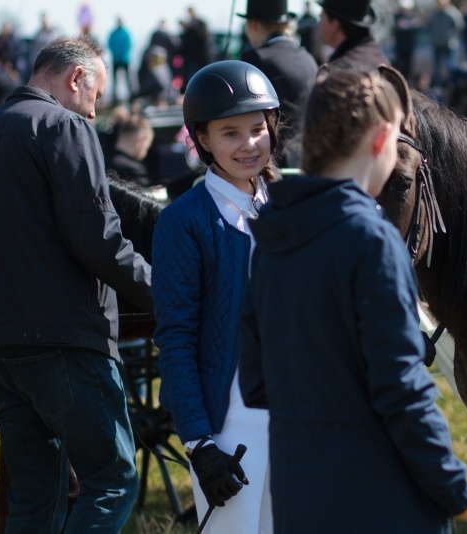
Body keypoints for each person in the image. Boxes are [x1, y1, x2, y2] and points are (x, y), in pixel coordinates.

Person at [238, 65, 467, 534]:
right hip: (383, 502)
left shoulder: (273, 238)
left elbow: (257, 382)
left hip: (300, 498)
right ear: (383, 138)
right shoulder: (370, 238)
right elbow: (401, 389)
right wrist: (460, 494)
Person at [0, 35, 152, 532]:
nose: (94, 112)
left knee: (35, 493)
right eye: (95, 97)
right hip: (60, 339)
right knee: (113, 477)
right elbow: (99, 237)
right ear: (76, 78)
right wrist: (165, 292)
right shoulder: (65, 126)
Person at [152, 60, 280, 534]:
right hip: (229, 425)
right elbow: (176, 337)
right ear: (203, 139)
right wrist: (200, 443)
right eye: (230, 133)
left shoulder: (290, 206)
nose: (249, 144)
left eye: (257, 129)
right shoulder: (183, 221)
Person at [238, 0, 318, 164]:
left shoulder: (256, 59)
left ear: (254, 25)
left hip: (272, 163)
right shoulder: (308, 58)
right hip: (308, 159)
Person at [318, 0, 390, 71]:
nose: (319, 23)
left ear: (334, 24)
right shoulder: (380, 60)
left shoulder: (340, 71)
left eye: (321, 16)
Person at [104, 114, 155, 187]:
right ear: (138, 141)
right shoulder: (135, 170)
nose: (145, 153)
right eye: (146, 147)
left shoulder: (101, 160)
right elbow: (145, 193)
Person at [426, 0, 465, 87]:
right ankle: (438, 86)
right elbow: (428, 27)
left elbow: (460, 26)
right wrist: (433, 37)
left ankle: (451, 85)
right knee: (437, 68)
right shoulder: (433, 14)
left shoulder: (453, 13)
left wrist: (450, 36)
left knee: (451, 66)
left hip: (449, 45)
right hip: (437, 44)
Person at [180, 6, 214, 88]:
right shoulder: (193, 24)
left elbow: (203, 38)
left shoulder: (198, 24)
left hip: (201, 55)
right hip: (193, 56)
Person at [107, 16, 133, 104]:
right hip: (117, 59)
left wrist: (120, 54)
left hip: (124, 59)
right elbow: (110, 44)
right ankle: (115, 98)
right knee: (115, 81)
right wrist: (117, 54)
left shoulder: (125, 33)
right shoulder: (114, 33)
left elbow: (128, 45)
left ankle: (131, 96)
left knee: (127, 79)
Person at [393, 0, 420, 80]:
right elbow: (398, 28)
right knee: (400, 67)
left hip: (409, 47)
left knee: (409, 68)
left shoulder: (412, 17)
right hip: (400, 47)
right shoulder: (397, 17)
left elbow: (416, 29)